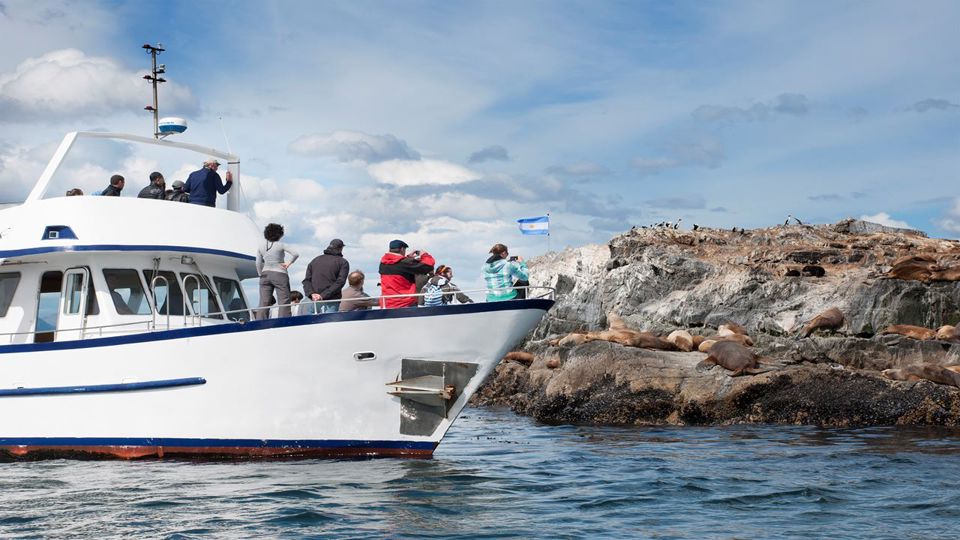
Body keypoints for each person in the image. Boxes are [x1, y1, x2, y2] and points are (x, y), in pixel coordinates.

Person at [255, 223, 299, 319]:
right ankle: (284, 321)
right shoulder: (281, 245)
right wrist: (289, 263)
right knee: (284, 301)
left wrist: (260, 274)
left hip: (265, 274)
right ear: (279, 234)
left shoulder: (261, 246)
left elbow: (258, 263)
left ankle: (260, 322)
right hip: (280, 273)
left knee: (264, 302)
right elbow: (295, 254)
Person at [379, 239, 435, 309]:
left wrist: (408, 258)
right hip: (404, 304)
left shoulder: (383, 263)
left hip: (386, 304)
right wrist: (424, 255)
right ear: (402, 249)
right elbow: (428, 266)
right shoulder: (405, 263)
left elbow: (398, 266)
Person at [302, 239, 350, 313]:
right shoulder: (343, 262)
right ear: (341, 248)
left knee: (312, 323)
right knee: (330, 323)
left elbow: (306, 280)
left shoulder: (315, 260)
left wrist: (312, 294)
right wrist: (323, 295)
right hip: (332, 299)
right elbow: (340, 282)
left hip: (313, 299)